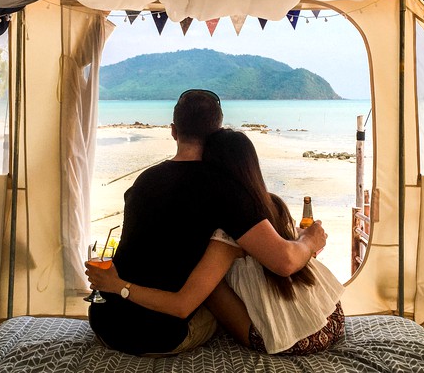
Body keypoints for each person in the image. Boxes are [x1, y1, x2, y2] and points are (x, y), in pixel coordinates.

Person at [87, 90, 327, 356]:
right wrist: (310, 239)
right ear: (217, 133)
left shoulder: (143, 182)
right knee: (216, 287)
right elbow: (284, 262)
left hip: (105, 319)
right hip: (158, 333)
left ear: (174, 131)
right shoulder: (226, 191)